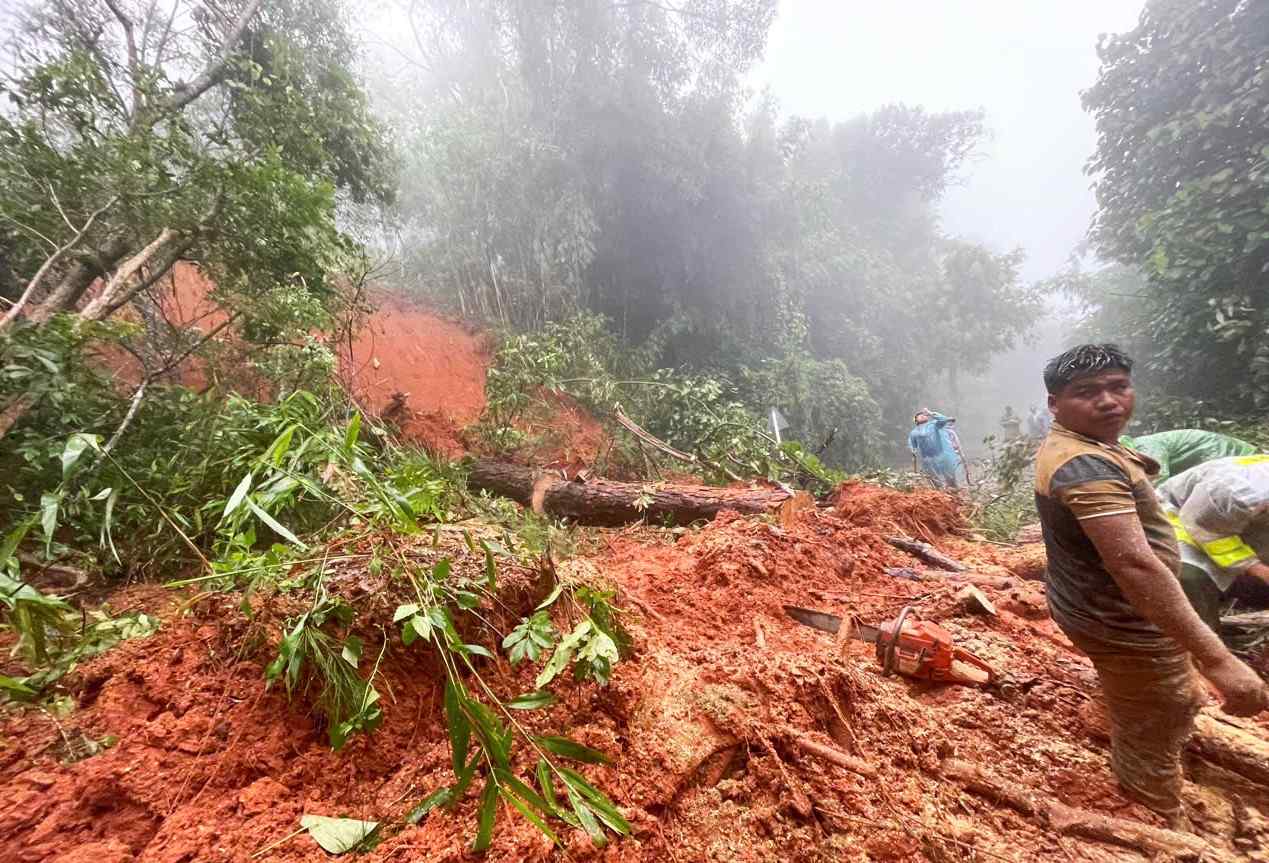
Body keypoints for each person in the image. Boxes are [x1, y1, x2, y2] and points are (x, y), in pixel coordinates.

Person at [1033, 344, 1267, 824]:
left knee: (1158, 695)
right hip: (1120, 619)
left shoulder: (1089, 444)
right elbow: (1136, 565)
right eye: (1087, 392)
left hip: (1096, 605)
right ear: (1055, 404)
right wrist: (1219, 661)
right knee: (1171, 700)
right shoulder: (1086, 466)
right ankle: (1151, 805)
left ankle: (1125, 720)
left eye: (1119, 387)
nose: (1108, 401)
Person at [1156, 455, 1269, 633]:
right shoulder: (1241, 490)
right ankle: (1202, 643)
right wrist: (1257, 569)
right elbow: (1206, 530)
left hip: (1241, 520)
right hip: (1183, 517)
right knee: (1191, 576)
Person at [1120, 428, 1257, 485]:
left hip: (1227, 455)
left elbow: (1158, 478)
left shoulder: (1145, 447)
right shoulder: (1138, 449)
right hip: (1221, 461)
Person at [908, 409, 963, 489]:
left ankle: (954, 494)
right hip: (928, 459)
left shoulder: (934, 424)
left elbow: (944, 419)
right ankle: (940, 495)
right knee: (935, 482)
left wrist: (931, 413)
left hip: (941, 455)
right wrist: (913, 450)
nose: (922, 415)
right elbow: (912, 444)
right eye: (919, 415)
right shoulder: (914, 432)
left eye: (924, 414)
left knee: (951, 479)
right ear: (916, 420)